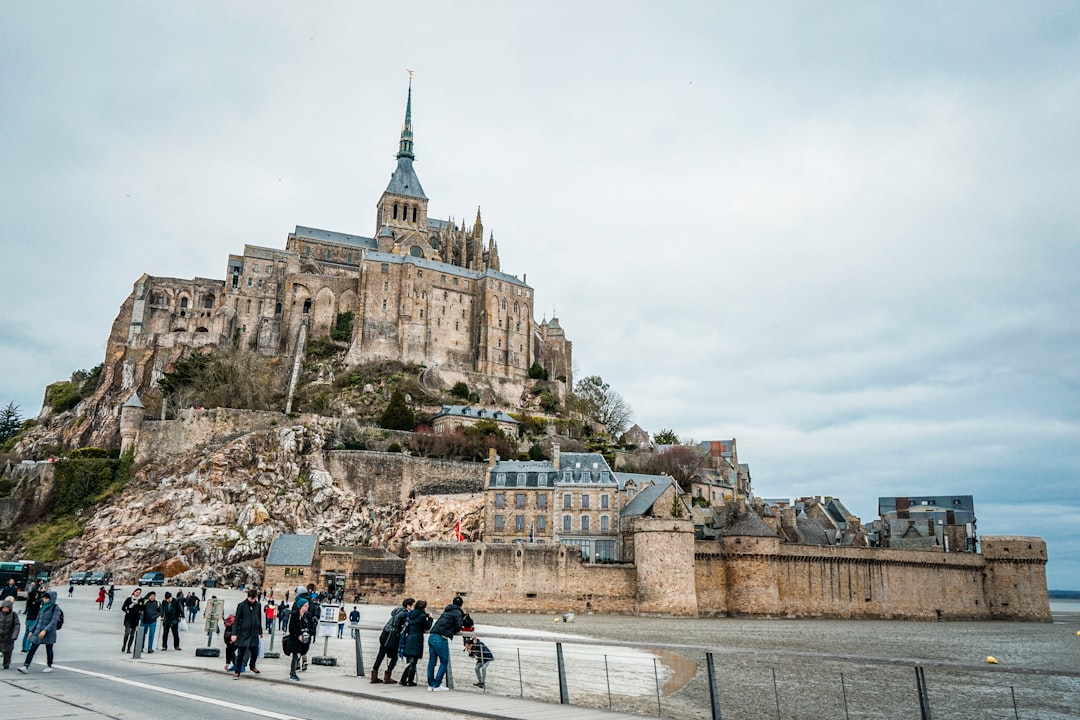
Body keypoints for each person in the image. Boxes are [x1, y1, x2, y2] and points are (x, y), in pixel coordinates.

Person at [427, 596, 466, 691]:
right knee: (444, 662)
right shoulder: (457, 612)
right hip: (441, 638)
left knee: (432, 662)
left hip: (432, 636)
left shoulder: (447, 610)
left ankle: (431, 684)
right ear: (461, 605)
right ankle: (437, 685)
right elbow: (458, 626)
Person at [371, 597, 411, 684]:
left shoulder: (397, 610)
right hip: (392, 636)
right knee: (394, 657)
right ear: (408, 606)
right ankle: (387, 676)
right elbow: (401, 624)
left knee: (381, 655)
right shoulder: (405, 614)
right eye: (413, 605)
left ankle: (374, 676)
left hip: (385, 633)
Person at [18, 590, 60, 673]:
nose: (45, 599)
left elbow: (54, 621)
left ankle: (49, 665)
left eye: (47, 598)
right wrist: (31, 631)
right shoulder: (42, 607)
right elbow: (37, 620)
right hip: (38, 630)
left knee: (49, 648)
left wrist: (45, 630)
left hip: (48, 632)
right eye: (44, 598)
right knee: (32, 648)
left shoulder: (55, 608)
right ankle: (25, 666)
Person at [398, 599, 431, 688]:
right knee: (413, 661)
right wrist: (430, 618)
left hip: (410, 638)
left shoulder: (411, 614)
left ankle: (403, 680)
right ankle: (409, 681)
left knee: (410, 661)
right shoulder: (422, 616)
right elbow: (428, 626)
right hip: (417, 639)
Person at [230, 588, 263, 678]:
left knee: (255, 652)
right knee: (241, 654)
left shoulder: (258, 605)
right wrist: (234, 633)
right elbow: (236, 620)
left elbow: (259, 618)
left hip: (254, 633)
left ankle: (252, 666)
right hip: (244, 633)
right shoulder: (241, 605)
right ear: (248, 597)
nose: (252, 601)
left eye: (254, 599)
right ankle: (237, 671)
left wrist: (260, 631)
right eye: (251, 599)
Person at [285, 590, 316, 681]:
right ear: (301, 607)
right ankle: (293, 672)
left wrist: (309, 633)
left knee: (300, 654)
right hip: (295, 639)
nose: (307, 607)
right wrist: (298, 635)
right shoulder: (294, 615)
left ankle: (294, 671)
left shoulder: (308, 616)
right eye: (306, 606)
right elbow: (291, 627)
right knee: (296, 655)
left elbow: (311, 628)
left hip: (304, 640)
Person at [22, 581, 43, 653]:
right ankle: (27, 648)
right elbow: (41, 600)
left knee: (26, 633)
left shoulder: (29, 601)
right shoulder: (36, 602)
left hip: (28, 618)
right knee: (30, 634)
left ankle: (23, 647)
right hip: (33, 619)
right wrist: (42, 592)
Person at [0, 597, 21, 670]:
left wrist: (14, 635)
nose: (5, 609)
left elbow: (17, 625)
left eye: (7, 608)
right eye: (4, 608)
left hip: (9, 637)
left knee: (7, 652)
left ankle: (6, 664)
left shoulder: (14, 615)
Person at [121, 588, 143, 653]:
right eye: (137, 592)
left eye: (139, 592)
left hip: (135, 619)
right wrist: (126, 610)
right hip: (128, 618)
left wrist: (140, 609)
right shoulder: (128, 599)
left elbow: (142, 608)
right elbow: (123, 607)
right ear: (134, 592)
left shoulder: (140, 600)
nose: (138, 593)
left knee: (132, 635)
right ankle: (124, 645)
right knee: (127, 633)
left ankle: (129, 648)